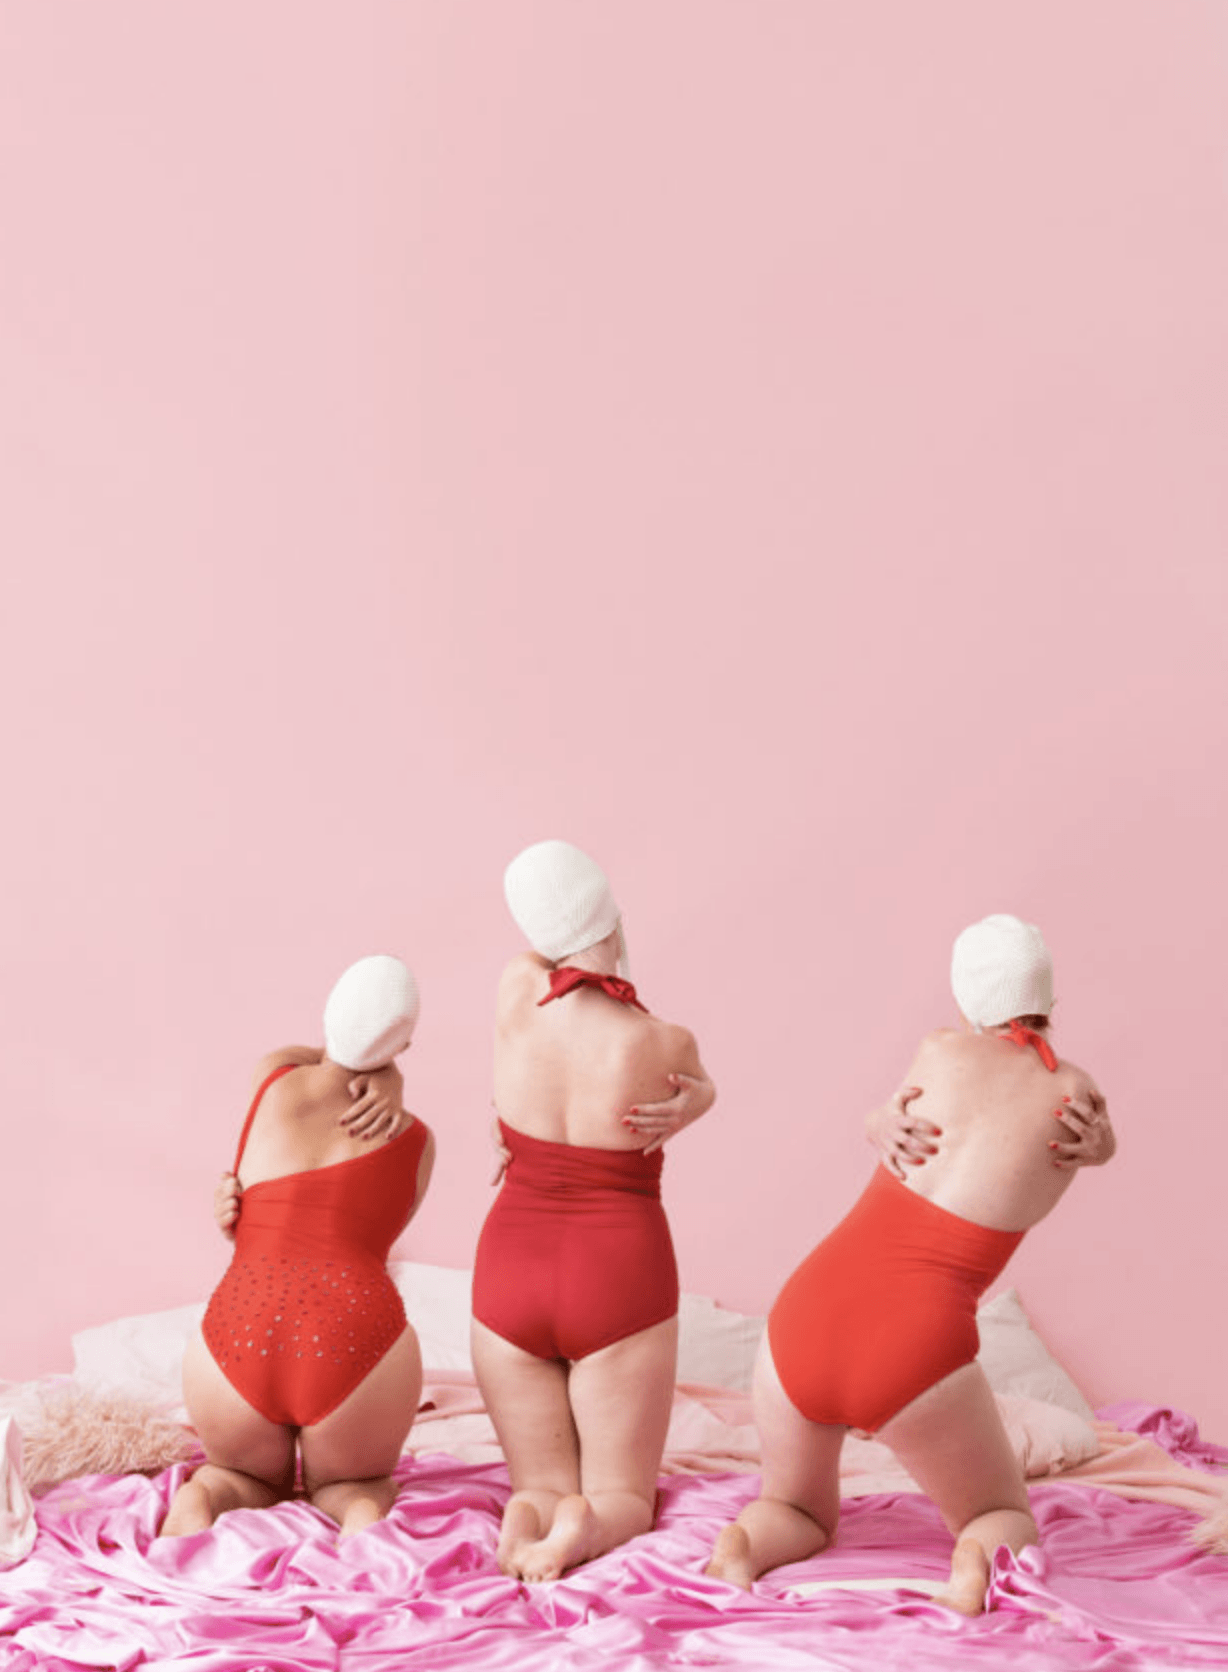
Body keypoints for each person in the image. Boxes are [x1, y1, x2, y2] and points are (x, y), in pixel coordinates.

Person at [706, 914, 1116, 1615]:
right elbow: (1091, 1146)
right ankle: (970, 1564)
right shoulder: (1073, 1094)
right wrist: (1103, 1145)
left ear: (965, 997)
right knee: (996, 1512)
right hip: (912, 1338)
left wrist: (876, 1123)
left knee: (796, 1510)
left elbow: (896, 1120)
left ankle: (742, 1545)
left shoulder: (938, 1050)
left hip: (805, 1312)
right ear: (1049, 999)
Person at [472, 840, 715, 1582]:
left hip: (510, 1262)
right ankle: (592, 1518)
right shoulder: (663, 1041)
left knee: (540, 1482)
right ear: (612, 916)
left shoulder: (516, 989)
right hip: (615, 1267)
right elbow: (691, 1085)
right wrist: (702, 1097)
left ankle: (530, 1516)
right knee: (621, 1496)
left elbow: (542, 981)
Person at [161, 955, 435, 1539]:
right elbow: (379, 1237)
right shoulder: (417, 1142)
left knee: (237, 1475)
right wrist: (391, 1076)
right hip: (353, 1334)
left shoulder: (274, 1079)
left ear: (327, 1018)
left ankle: (202, 1498)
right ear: (405, 1044)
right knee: (354, 1484)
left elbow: (320, 1054)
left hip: (239, 1328)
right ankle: (359, 1512)